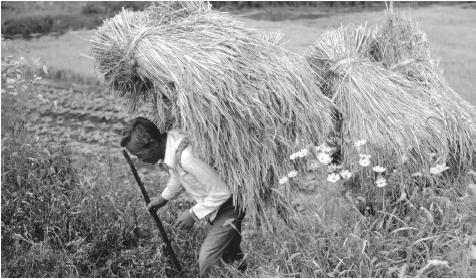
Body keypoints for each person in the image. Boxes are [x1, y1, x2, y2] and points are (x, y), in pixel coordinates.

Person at [120, 117, 245, 276]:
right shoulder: (171, 145)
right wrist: (164, 198)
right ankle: (243, 272)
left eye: (139, 154)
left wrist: (192, 214)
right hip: (216, 205)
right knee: (230, 253)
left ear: (152, 143)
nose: (140, 160)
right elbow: (177, 175)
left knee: (208, 261)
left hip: (229, 206)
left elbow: (222, 192)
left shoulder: (187, 158)